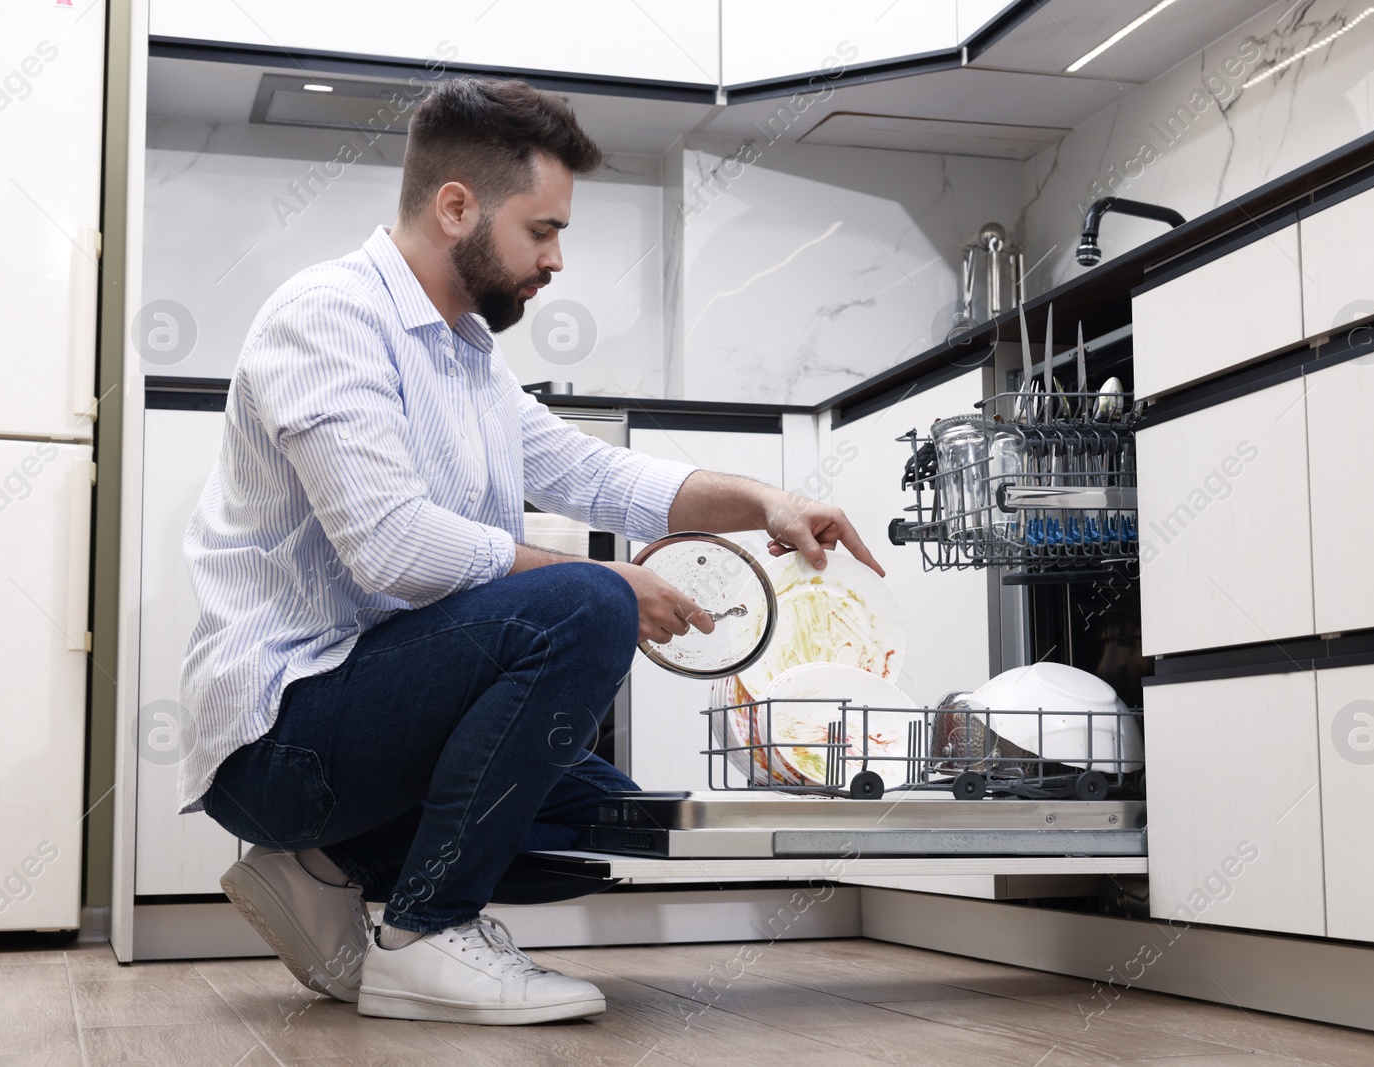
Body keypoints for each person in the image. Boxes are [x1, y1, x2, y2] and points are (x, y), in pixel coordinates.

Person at [179, 76, 883, 1026]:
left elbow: (595, 475)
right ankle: (427, 934)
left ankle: (326, 864)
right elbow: (392, 547)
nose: (555, 259)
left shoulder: (467, 351)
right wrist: (605, 581)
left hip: (367, 716)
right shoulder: (329, 316)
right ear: (457, 205)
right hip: (284, 736)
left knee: (601, 814)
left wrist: (767, 499)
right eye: (542, 230)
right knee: (588, 603)